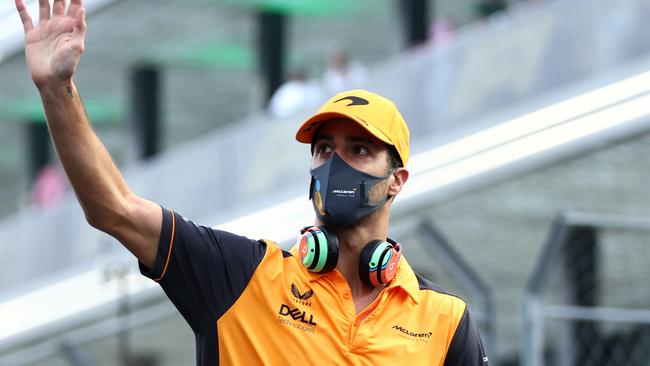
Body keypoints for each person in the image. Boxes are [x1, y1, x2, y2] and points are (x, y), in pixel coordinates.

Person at [15, 1, 489, 364]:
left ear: (396, 181)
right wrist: (57, 90)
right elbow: (113, 208)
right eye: (325, 149)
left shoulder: (445, 322)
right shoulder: (242, 276)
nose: (335, 163)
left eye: (359, 150)